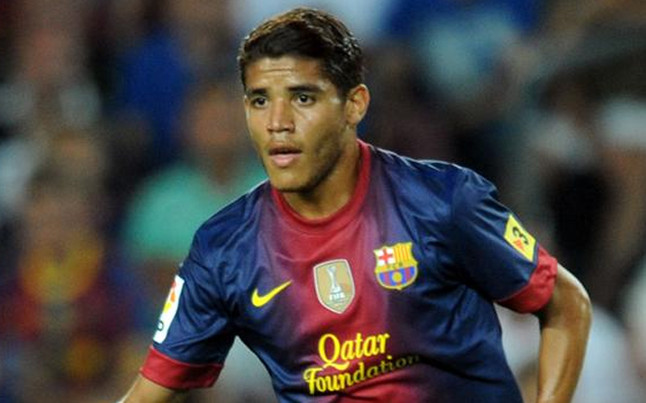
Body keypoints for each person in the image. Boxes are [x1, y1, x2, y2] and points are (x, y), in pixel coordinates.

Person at [119, 7, 591, 402]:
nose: (278, 122)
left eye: (302, 98)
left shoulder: (443, 201)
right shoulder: (223, 248)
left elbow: (566, 303)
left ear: (354, 105)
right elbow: (148, 393)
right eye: (260, 101)